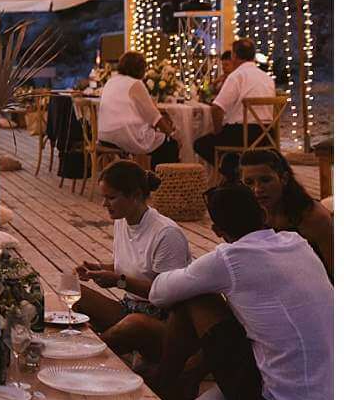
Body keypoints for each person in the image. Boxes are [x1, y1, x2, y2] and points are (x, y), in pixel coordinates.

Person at [147, 184, 333, 400]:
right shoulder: (297, 242)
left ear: (216, 230)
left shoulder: (230, 258)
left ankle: (164, 382)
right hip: (329, 394)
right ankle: (186, 377)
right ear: (263, 214)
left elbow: (158, 293)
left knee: (197, 298)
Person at [74, 161, 190, 366]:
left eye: (111, 198)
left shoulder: (166, 233)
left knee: (132, 324)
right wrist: (98, 269)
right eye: (104, 197)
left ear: (135, 195)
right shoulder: (122, 220)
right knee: (75, 292)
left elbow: (168, 294)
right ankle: (108, 349)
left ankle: (86, 357)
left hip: (162, 322)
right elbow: (133, 266)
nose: (104, 204)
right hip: (129, 307)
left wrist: (119, 282)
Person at [239, 148, 332, 279]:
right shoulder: (247, 214)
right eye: (249, 183)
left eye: (265, 180)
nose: (257, 189)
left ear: (284, 178)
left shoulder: (312, 217)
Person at [192, 38, 275, 170]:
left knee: (200, 144)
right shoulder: (267, 78)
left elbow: (216, 108)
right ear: (253, 55)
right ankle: (241, 170)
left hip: (242, 134)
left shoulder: (237, 76)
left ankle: (234, 173)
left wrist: (218, 132)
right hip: (268, 135)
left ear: (234, 56)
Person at [97, 51, 180, 166]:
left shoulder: (111, 81)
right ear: (140, 69)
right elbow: (154, 116)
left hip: (104, 134)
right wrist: (173, 135)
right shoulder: (135, 83)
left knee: (157, 138)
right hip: (124, 135)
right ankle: (160, 176)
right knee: (169, 144)